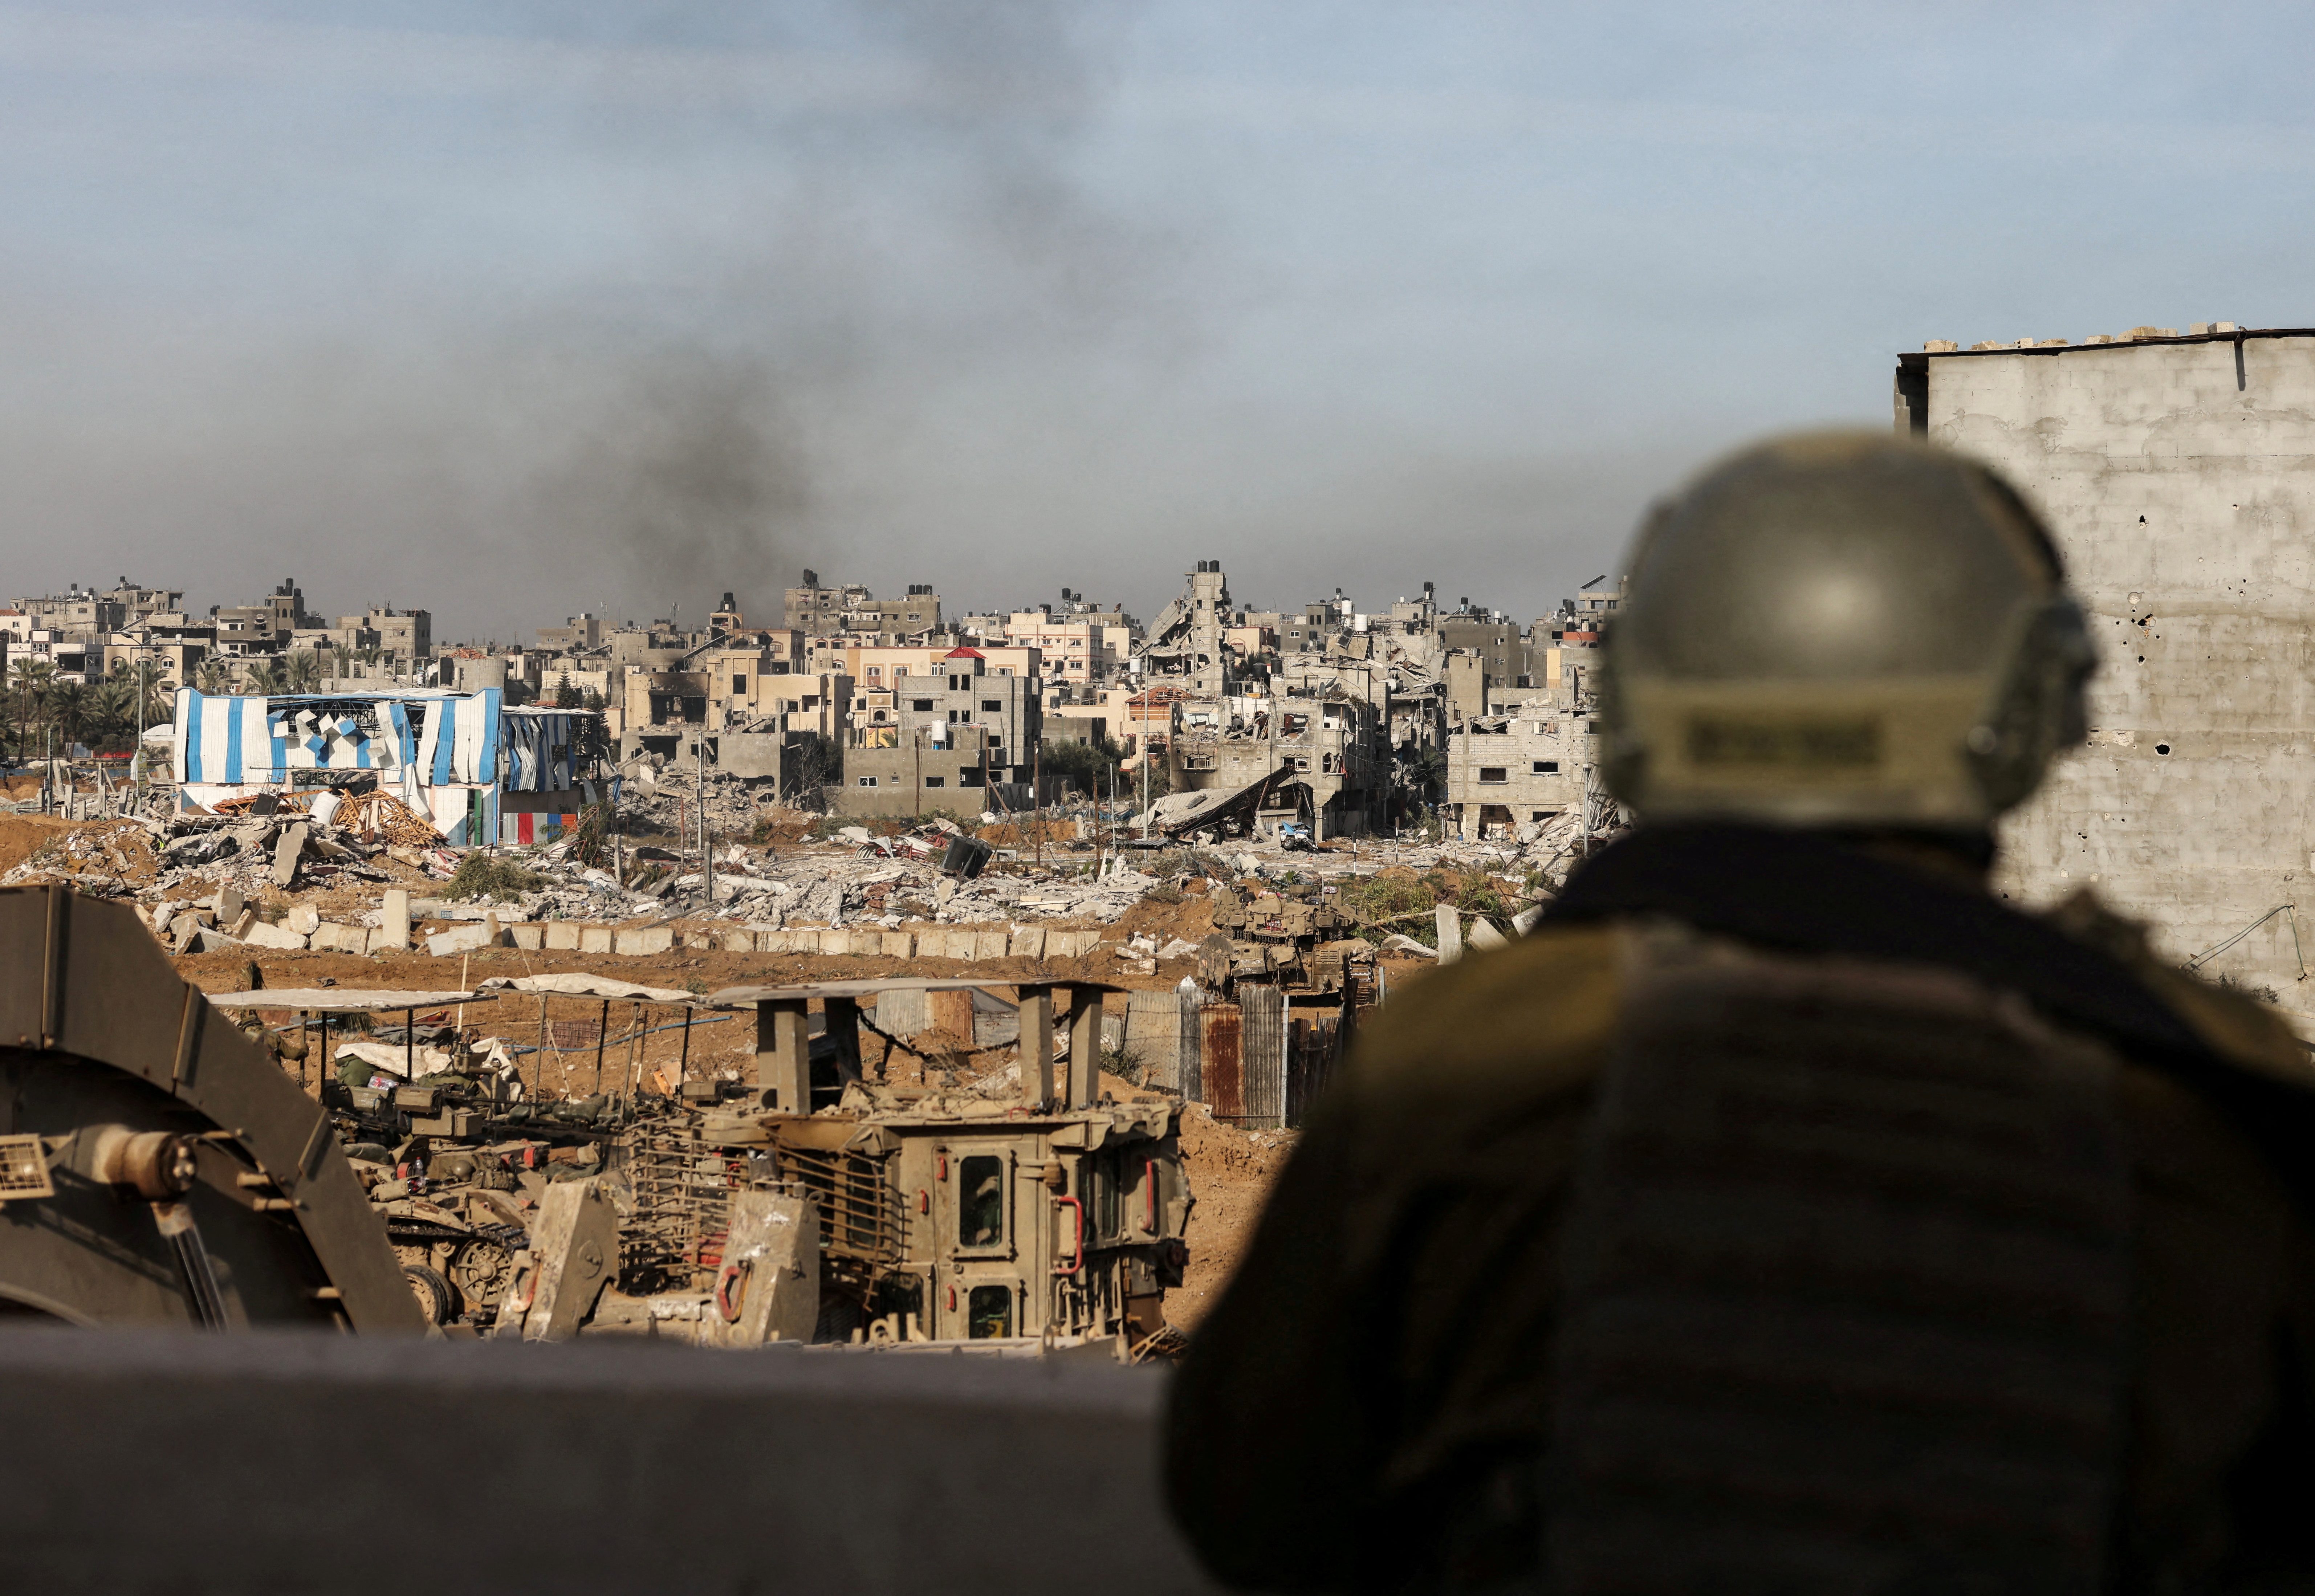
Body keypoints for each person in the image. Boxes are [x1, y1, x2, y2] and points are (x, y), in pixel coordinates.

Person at [1164, 432, 2315, 1595]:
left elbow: (1250, 1502)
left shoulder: (1464, 1060)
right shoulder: (2204, 1098)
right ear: (2025, 711)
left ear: (1637, 705)